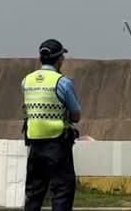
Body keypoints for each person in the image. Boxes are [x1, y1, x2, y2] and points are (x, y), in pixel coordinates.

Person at [22, 39, 82, 211]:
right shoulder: (62, 82)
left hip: (34, 145)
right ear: (59, 59)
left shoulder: (26, 81)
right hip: (57, 145)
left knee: (34, 193)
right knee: (62, 190)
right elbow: (76, 115)